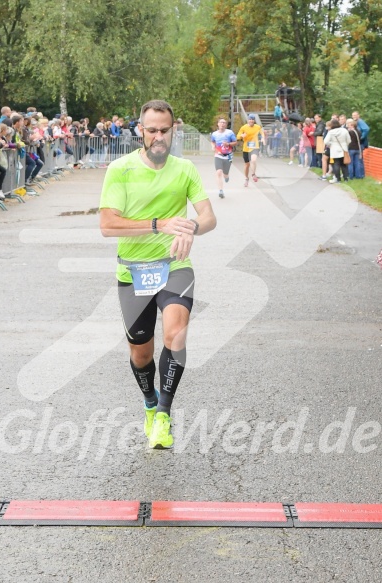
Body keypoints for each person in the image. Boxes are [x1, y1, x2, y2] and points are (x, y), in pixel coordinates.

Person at [99, 99, 216, 449]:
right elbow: (107, 225)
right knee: (141, 354)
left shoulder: (184, 169)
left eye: (164, 130)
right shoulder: (120, 170)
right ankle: (150, 403)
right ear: (141, 130)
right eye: (152, 130)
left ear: (174, 130)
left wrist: (190, 228)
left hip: (174, 266)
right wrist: (158, 224)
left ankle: (163, 415)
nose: (158, 136)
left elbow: (209, 217)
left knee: (176, 335)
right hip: (133, 270)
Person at [236, 114, 266, 186]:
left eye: (252, 119)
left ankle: (253, 174)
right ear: (248, 120)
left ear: (254, 120)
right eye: (250, 119)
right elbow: (237, 136)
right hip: (246, 148)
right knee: (247, 165)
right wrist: (241, 136)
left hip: (255, 147)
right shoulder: (243, 127)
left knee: (253, 160)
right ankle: (246, 179)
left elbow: (262, 133)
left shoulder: (258, 127)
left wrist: (262, 138)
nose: (251, 121)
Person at [211, 117, 237, 198]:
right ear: (218, 124)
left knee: (225, 174)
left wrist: (228, 144)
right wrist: (213, 146)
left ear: (226, 125)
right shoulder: (214, 134)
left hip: (228, 156)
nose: (222, 124)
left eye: (224, 123)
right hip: (218, 155)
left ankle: (227, 176)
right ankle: (221, 191)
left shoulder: (230, 133)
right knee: (219, 172)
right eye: (221, 122)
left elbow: (235, 142)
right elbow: (212, 141)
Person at [323, 118, 351, 183]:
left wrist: (330, 145)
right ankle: (346, 178)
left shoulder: (331, 132)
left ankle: (338, 179)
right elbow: (349, 140)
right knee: (344, 164)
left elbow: (325, 141)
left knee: (336, 164)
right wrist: (345, 144)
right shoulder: (344, 130)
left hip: (334, 150)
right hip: (343, 149)